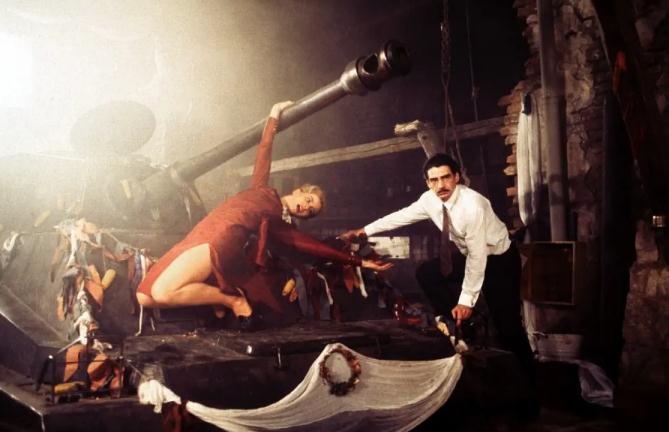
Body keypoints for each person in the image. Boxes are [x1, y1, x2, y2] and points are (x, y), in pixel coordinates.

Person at [137, 101, 392, 326]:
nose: (306, 207)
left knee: (163, 292)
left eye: (311, 211)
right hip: (201, 231)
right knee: (145, 297)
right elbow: (264, 152)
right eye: (308, 200)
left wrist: (359, 262)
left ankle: (232, 300)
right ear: (298, 191)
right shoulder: (262, 188)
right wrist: (273, 117)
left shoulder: (278, 224)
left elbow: (317, 248)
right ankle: (217, 299)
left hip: (220, 238)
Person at [340, 153, 535, 375]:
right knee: (427, 273)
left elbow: (478, 256)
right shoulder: (429, 200)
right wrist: (364, 231)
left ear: (457, 177)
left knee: (508, 327)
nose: (440, 185)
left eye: (445, 177)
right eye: (434, 180)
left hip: (499, 261)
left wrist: (466, 302)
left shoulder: (473, 205)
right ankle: (458, 327)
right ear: (427, 182)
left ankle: (531, 380)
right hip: (471, 255)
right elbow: (400, 216)